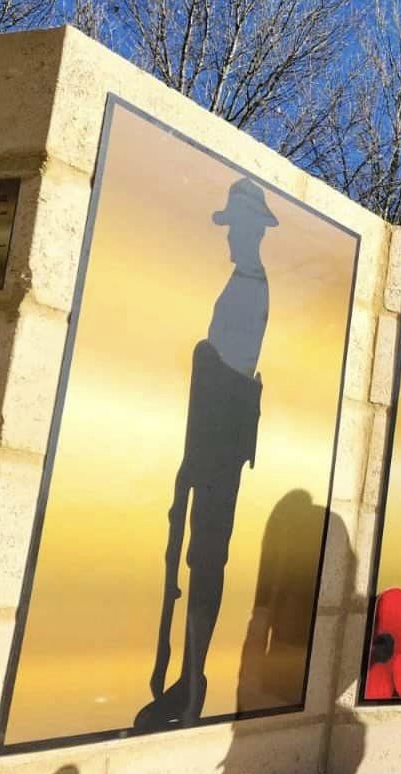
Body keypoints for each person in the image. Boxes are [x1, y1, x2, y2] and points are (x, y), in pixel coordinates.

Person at [135, 176, 276, 731]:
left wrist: (204, 361)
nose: (231, 236)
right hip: (210, 444)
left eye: (239, 226)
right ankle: (188, 682)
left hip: (219, 447)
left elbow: (233, 372)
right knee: (201, 556)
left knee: (206, 557)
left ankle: (191, 682)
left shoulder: (251, 286)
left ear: (254, 230)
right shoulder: (243, 282)